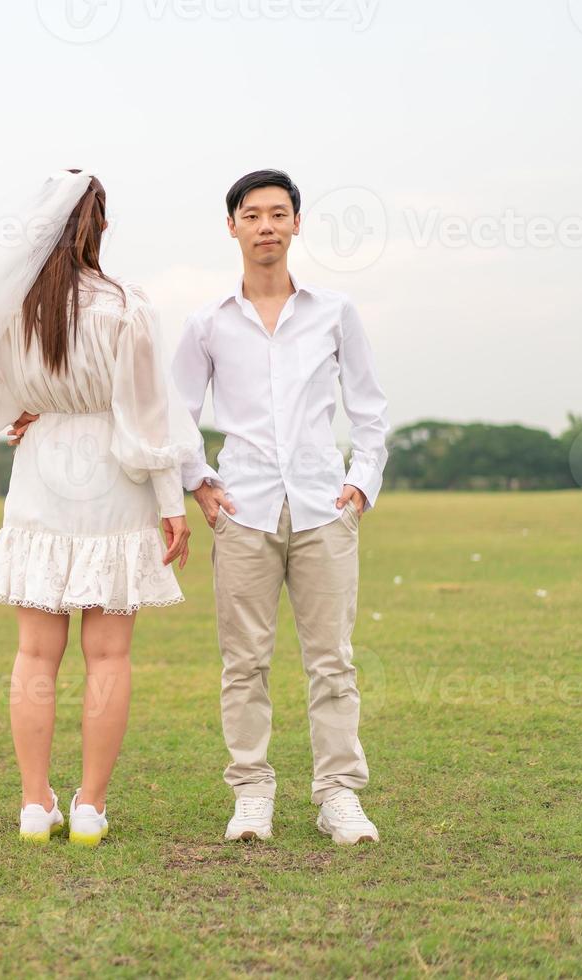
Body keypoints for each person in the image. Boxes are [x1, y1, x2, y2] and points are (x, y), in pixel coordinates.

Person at [0, 169, 200, 845]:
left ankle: (36, 804)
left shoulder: (10, 309)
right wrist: (168, 499)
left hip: (40, 471)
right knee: (109, 656)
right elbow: (146, 415)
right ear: (99, 225)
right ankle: (90, 805)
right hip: (114, 477)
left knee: (35, 654)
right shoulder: (126, 305)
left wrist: (10, 410)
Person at [171, 169, 390, 845]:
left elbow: (370, 407)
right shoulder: (207, 322)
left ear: (297, 224)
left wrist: (361, 484)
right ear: (232, 226)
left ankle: (339, 795)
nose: (266, 226)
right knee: (245, 662)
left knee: (333, 660)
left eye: (278, 213)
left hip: (325, 507)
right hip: (244, 510)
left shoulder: (335, 311)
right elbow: (178, 415)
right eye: (252, 215)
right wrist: (201, 484)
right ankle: (251, 793)